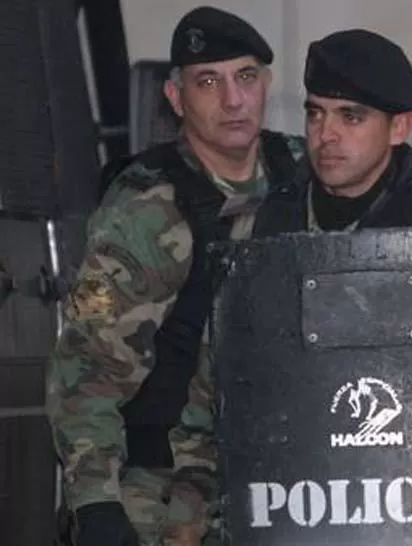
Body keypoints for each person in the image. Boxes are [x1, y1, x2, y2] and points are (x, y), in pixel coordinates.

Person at [45, 6, 304, 545]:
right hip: (170, 492)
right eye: (208, 82)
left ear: (266, 85)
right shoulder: (143, 209)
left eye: (246, 78)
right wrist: (95, 503)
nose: (233, 100)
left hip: (289, 482)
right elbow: (87, 369)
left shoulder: (302, 176)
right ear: (175, 97)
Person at [253, 28, 412, 234]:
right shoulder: (267, 217)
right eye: (315, 114)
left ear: (399, 128)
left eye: (350, 117)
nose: (325, 135)